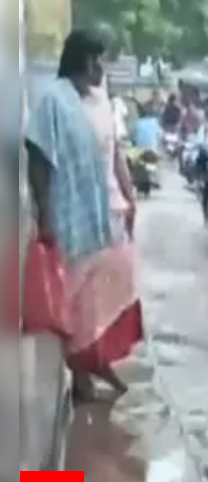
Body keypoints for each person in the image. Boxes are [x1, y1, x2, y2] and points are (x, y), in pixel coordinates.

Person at [24, 29, 143, 401]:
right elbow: (39, 160)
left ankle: (95, 361)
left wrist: (129, 192)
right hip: (70, 213)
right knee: (73, 298)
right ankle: (83, 375)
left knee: (116, 280)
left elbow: (116, 152)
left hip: (104, 213)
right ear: (85, 60)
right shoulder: (54, 102)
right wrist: (45, 216)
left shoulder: (101, 101)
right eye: (100, 60)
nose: (103, 69)